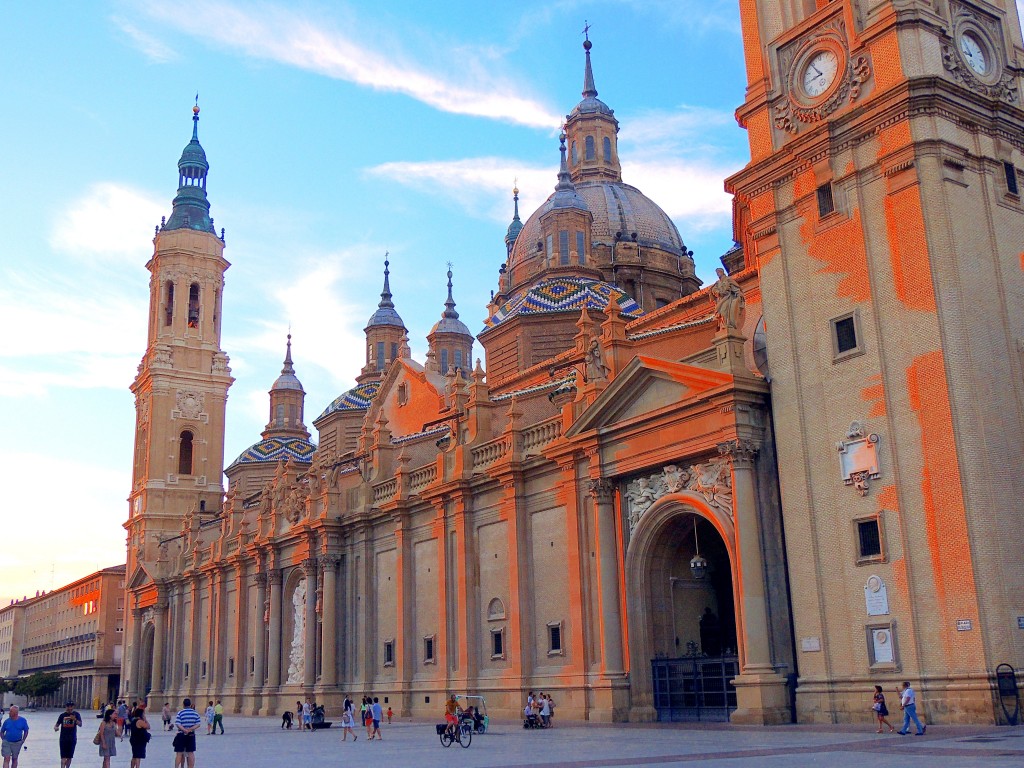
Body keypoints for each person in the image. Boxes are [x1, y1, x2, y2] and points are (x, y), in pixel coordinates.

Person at [172, 698, 201, 768]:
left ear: (183, 705)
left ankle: (176, 767)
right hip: (191, 734)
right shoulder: (195, 713)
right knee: (191, 752)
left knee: (179, 752)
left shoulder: (180, 713)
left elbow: (178, 723)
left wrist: (184, 730)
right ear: (190, 705)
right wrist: (190, 729)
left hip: (181, 734)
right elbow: (198, 724)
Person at [54, 700, 82, 768]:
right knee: (63, 757)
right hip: (63, 739)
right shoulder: (62, 715)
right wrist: (56, 728)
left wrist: (75, 719)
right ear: (66, 707)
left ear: (73, 707)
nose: (70, 708)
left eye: (71, 706)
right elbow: (56, 725)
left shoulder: (76, 714)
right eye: (68, 706)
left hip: (72, 739)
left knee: (69, 757)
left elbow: (80, 724)